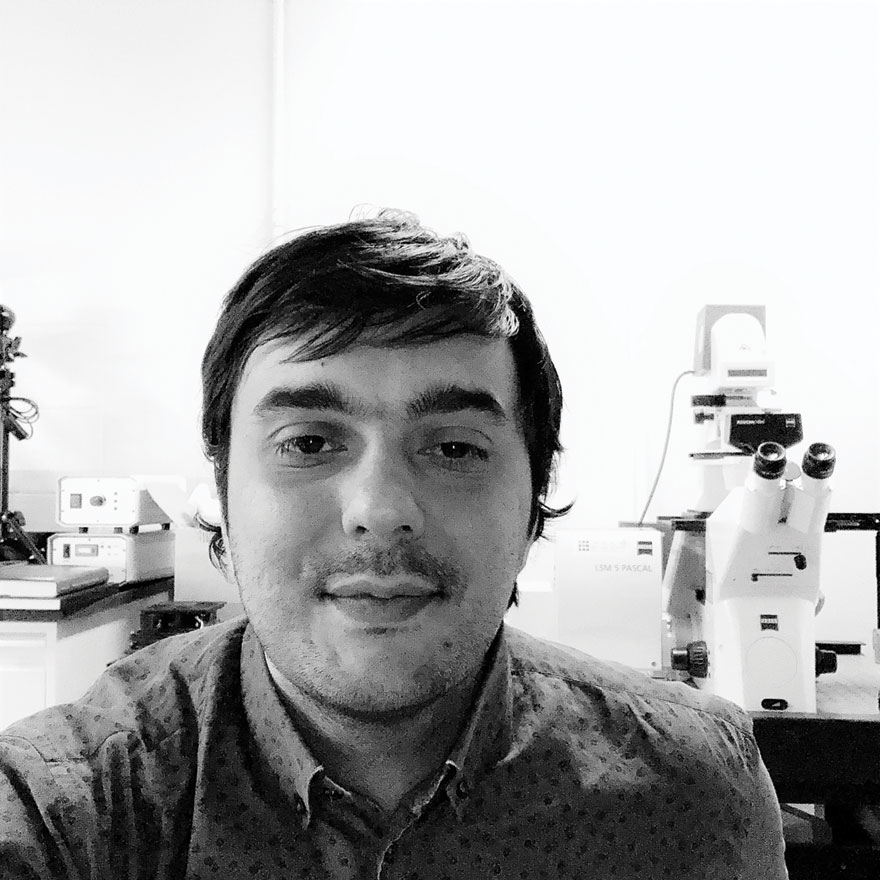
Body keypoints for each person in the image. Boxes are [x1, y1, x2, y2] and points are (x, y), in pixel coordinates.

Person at [0, 210, 788, 878]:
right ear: (223, 485)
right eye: (309, 443)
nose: (379, 510)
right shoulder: (72, 811)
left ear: (532, 500)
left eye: (454, 448)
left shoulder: (691, 794)